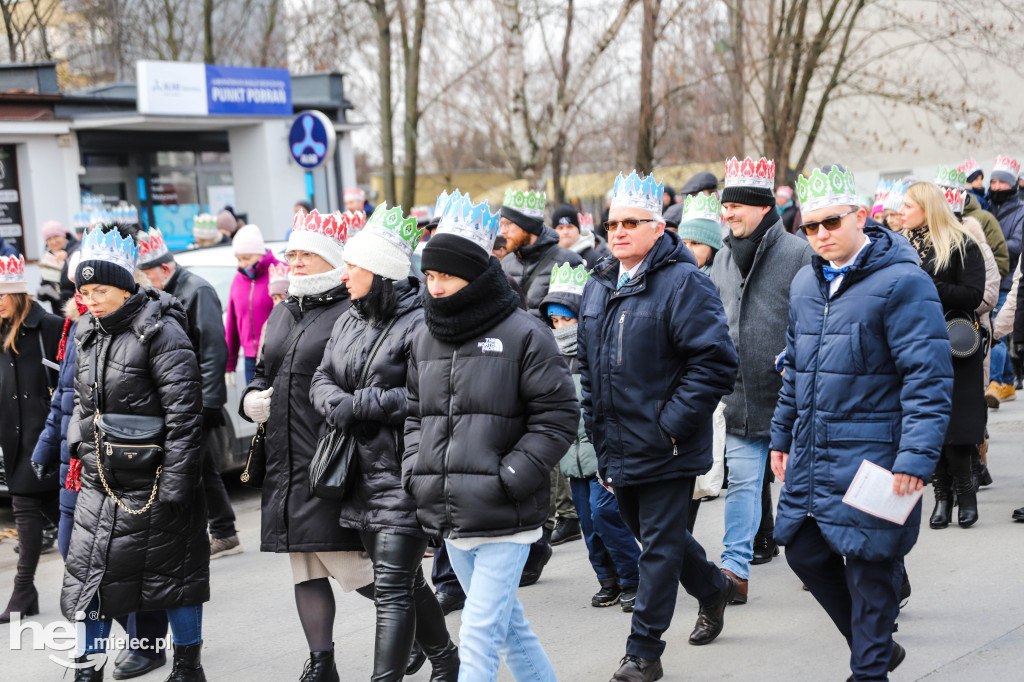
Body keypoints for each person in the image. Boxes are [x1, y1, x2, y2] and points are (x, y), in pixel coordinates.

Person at [770, 164, 953, 682]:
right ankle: (873, 647)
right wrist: (781, 435)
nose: (822, 235)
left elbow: (927, 377)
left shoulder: (904, 282)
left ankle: (869, 669)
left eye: (832, 223)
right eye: (811, 227)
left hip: (877, 456)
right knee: (803, 551)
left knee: (873, 567)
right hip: (812, 451)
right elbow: (796, 366)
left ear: (861, 217)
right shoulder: (805, 281)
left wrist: (915, 458)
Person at [404, 189, 579, 682]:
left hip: (504, 513)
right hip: (449, 513)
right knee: (508, 631)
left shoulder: (524, 332)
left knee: (478, 634)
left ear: (476, 275)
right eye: (430, 275)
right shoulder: (424, 337)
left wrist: (511, 475)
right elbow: (416, 416)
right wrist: (416, 472)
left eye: (447, 275)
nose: (435, 287)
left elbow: (559, 414)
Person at [578, 171, 740, 682]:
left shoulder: (683, 280)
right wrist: (597, 428)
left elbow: (714, 362)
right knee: (656, 539)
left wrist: (670, 425)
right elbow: (588, 365)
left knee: (662, 546)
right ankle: (713, 588)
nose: (620, 231)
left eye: (633, 222)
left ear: (657, 228)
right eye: (614, 224)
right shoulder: (600, 282)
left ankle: (643, 652)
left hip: (669, 445)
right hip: (617, 443)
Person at [310, 203, 458, 682]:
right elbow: (321, 377)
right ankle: (447, 660)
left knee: (392, 588)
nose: (344, 272)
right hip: (358, 472)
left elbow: (430, 393)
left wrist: (361, 405)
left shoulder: (423, 321)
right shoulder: (351, 317)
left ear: (381, 272)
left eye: (353, 265)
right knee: (408, 583)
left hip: (404, 470)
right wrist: (339, 404)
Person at [62, 223, 210, 681]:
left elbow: (185, 414)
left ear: (126, 287)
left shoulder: (162, 333)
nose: (90, 298)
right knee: (91, 580)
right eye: (84, 290)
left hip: (156, 482)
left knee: (175, 579)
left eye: (100, 288)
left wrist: (176, 484)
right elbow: (79, 402)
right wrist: (78, 447)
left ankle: (188, 667)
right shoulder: (87, 331)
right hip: (99, 482)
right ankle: (88, 670)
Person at [241, 209, 377, 682]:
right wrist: (250, 400)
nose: (294, 262)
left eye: (305, 254)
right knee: (306, 570)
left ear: (333, 260)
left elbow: (362, 381)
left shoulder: (351, 310)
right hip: (287, 463)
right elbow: (261, 372)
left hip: (333, 460)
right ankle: (322, 664)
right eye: (292, 253)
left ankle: (428, 641)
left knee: (359, 572)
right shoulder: (282, 310)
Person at [711, 157, 813, 604]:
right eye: (724, 206)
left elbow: (816, 318)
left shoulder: (798, 252)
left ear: (759, 206)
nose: (727, 214)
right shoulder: (721, 257)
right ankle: (734, 572)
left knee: (803, 485)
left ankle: (819, 558)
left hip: (791, 397)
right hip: (738, 397)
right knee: (744, 487)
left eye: (734, 205)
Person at [539, 263, 641, 612]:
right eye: (554, 322)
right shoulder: (549, 360)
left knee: (606, 516)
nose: (561, 328)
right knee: (587, 525)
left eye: (567, 320)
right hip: (572, 458)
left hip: (603, 454)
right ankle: (607, 580)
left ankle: (633, 578)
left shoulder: (597, 353)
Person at [137, 228, 241, 563]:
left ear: (165, 270)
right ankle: (224, 531)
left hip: (197, 395)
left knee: (195, 467)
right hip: (184, 393)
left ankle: (218, 532)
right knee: (202, 465)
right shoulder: (167, 292)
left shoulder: (198, 290)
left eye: (149, 276)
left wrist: (210, 401)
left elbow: (213, 349)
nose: (146, 283)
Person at [900, 181, 987, 529]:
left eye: (908, 205)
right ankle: (942, 497)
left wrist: (927, 284)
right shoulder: (899, 244)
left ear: (927, 208)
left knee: (957, 424)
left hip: (955, 344)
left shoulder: (961, 243)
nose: (901, 211)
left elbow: (973, 295)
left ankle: (965, 494)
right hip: (913, 343)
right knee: (928, 424)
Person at [0, 255, 63, 624]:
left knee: (58, 512)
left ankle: (27, 591)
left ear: (17, 294)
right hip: (15, 439)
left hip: (47, 437)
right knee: (29, 509)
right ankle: (25, 591)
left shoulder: (50, 326)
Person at [499, 188, 585, 317]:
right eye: (501, 224)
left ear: (526, 225)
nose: (503, 231)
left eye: (507, 224)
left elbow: (571, 319)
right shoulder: (505, 263)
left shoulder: (568, 262)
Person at [985, 156, 1024, 405]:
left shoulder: (1020, 211)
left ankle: (995, 382)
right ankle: (1008, 381)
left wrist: (988, 248)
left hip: (1009, 277)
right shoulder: (987, 208)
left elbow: (1017, 244)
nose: (996, 186)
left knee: (994, 330)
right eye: (994, 181)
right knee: (994, 328)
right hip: (989, 278)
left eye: (1002, 182)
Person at [225, 224, 281, 386]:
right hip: (250, 359)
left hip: (277, 356)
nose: (242, 264)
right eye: (239, 259)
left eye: (247, 258)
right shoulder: (238, 281)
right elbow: (232, 324)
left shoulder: (279, 272)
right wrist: (230, 363)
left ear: (259, 253)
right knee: (254, 408)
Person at [36, 219, 80, 310]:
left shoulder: (77, 251)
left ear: (64, 236)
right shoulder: (48, 256)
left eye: (56, 237)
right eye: (49, 239)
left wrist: (67, 259)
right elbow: (44, 283)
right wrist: (42, 294)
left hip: (77, 309)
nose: (53, 242)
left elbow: (79, 282)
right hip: (58, 313)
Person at [677, 190, 725, 273]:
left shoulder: (723, 279)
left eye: (695, 243)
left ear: (714, 247)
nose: (687, 250)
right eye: (683, 243)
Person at [551, 203, 611, 268]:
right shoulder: (548, 258)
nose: (565, 232)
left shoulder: (595, 259)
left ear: (578, 230)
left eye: (570, 227)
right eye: (560, 228)